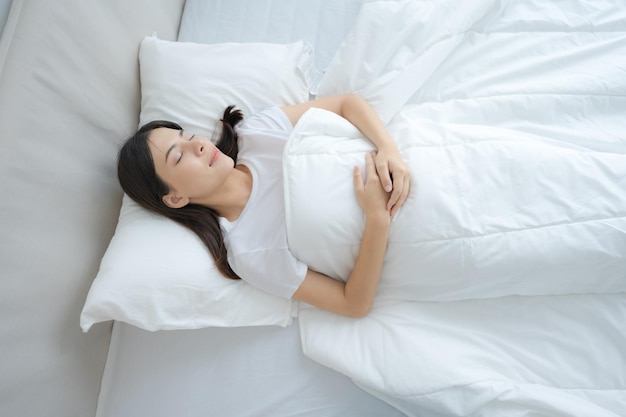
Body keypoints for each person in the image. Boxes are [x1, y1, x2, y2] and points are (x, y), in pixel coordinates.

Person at [118, 94, 410, 317]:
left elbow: (348, 103)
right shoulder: (248, 251)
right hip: (403, 223)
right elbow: (353, 303)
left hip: (404, 156)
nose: (200, 146)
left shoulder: (257, 133)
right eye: (179, 157)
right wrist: (377, 217)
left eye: (190, 137)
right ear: (176, 198)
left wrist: (389, 150)